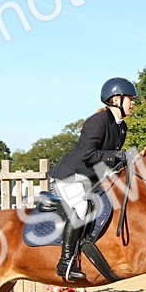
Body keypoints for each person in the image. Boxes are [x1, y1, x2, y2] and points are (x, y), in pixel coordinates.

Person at [48, 77, 138, 280]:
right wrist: (117, 156)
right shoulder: (96, 122)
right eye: (130, 99)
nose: (133, 103)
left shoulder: (121, 127)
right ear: (116, 100)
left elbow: (106, 159)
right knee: (82, 208)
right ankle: (65, 263)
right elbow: (88, 155)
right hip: (69, 177)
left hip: (90, 178)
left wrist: (124, 163)